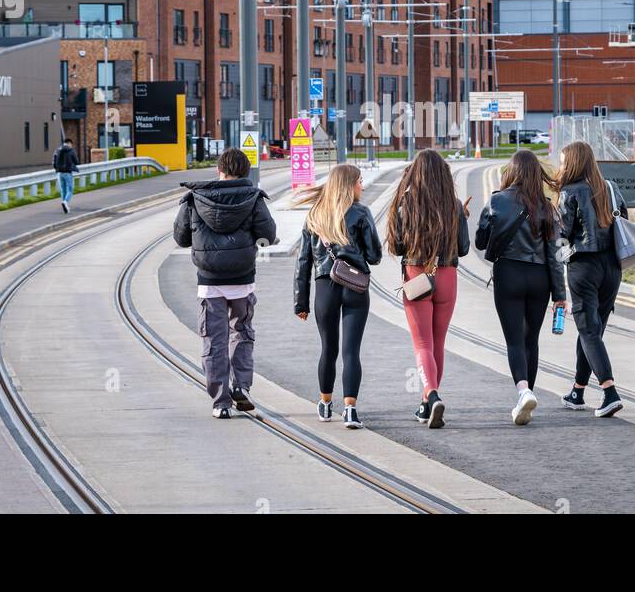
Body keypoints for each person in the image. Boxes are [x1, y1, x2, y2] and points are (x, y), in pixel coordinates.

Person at [173, 148, 277, 419]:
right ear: (245, 172)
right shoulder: (254, 198)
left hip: (209, 282)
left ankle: (220, 402)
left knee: (213, 340)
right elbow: (268, 234)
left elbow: (181, 238)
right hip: (243, 278)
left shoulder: (195, 198)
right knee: (241, 332)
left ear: (220, 170)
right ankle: (241, 386)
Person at [475, 149, 566, 425]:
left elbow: (480, 242)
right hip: (539, 278)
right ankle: (528, 396)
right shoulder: (547, 207)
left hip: (509, 274)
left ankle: (523, 391)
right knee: (531, 340)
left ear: (512, 171)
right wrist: (560, 295)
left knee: (514, 340)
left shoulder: (497, 201)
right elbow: (556, 255)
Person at [293, 164, 382, 430]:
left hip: (324, 287)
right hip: (355, 285)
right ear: (349, 185)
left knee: (328, 349)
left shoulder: (314, 214)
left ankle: (324, 403)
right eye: (360, 182)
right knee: (351, 351)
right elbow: (375, 256)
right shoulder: (361, 213)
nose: (362, 187)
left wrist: (301, 302)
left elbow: (303, 262)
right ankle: (351, 410)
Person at [386, 149, 470, 429]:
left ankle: (431, 396)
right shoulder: (454, 205)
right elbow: (464, 248)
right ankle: (426, 403)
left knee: (422, 344)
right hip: (447, 275)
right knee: (438, 343)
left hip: (416, 275)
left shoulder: (405, 205)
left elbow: (398, 247)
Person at [555, 141, 627, 418]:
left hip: (583, 265)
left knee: (588, 329)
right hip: (613, 267)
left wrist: (557, 259)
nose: (561, 167)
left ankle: (610, 391)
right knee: (593, 331)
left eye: (563, 162)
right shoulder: (610, 187)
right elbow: (625, 220)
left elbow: (563, 233)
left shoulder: (570, 192)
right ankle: (577, 390)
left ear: (573, 163)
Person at [52, 137, 79, 213]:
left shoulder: (57, 150)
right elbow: (76, 162)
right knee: (70, 190)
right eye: (71, 145)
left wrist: (57, 169)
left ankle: (65, 205)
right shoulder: (71, 151)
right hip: (67, 172)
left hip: (59, 173)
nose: (71, 146)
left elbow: (53, 162)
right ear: (69, 143)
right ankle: (65, 202)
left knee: (63, 190)